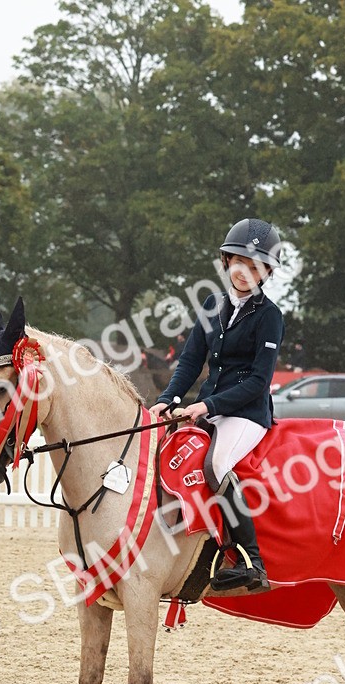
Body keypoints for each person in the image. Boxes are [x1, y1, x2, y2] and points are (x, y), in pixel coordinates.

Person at [149, 218, 285, 592]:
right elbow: (191, 360)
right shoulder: (213, 304)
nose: (244, 271)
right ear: (227, 261)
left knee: (216, 464)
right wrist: (167, 399)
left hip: (247, 413)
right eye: (239, 262)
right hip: (210, 407)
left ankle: (251, 562)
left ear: (266, 272)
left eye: (255, 266)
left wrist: (206, 406)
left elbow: (258, 382)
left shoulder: (270, 317)